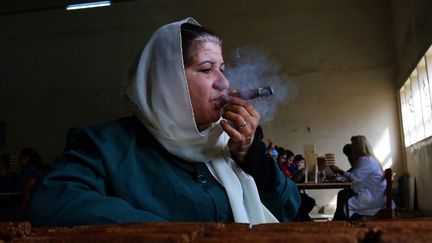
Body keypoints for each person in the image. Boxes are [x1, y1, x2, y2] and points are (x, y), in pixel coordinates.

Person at [27, 18, 301, 226]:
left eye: (223, 69)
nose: (224, 83)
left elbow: (289, 210)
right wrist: (171, 234)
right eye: (207, 69)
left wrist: (251, 154)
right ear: (168, 81)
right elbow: (53, 202)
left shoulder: (227, 145)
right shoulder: (106, 145)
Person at [330, 135, 387, 220]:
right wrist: (340, 174)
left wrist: (339, 171)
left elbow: (353, 178)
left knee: (344, 199)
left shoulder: (366, 161)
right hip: (373, 193)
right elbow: (354, 173)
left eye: (353, 146)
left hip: (372, 197)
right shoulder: (368, 159)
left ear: (357, 147)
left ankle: (344, 221)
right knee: (342, 194)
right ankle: (337, 221)